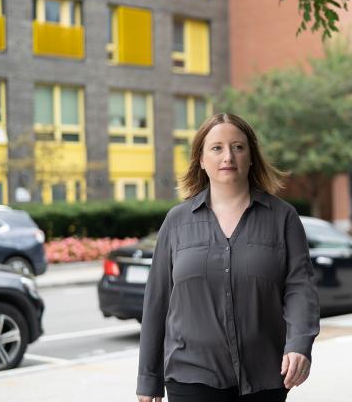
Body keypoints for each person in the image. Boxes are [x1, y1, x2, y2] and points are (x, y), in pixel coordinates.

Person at [136, 113, 320, 402]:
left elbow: (300, 288)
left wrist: (299, 344)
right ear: (201, 159)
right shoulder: (177, 222)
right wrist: (148, 379)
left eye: (238, 147)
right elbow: (157, 302)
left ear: (251, 156)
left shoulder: (283, 217)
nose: (228, 157)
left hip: (266, 376)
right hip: (191, 376)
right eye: (217, 148)